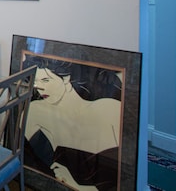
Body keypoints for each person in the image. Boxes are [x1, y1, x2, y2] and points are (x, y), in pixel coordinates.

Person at [22, 55, 122, 191]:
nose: (39, 87)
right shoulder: (35, 112)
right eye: (36, 82)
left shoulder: (109, 109)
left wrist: (76, 186)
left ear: (66, 78)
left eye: (46, 80)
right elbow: (40, 168)